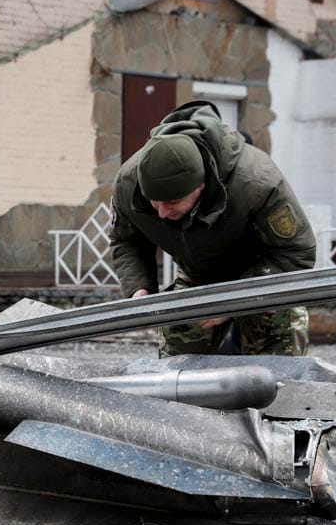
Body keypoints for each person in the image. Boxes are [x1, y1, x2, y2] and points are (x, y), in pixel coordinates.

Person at [109, 101, 316, 356]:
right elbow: (126, 239)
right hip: (199, 275)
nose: (161, 213)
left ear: (201, 186)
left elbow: (297, 251)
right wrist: (139, 288)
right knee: (177, 366)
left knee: (280, 369)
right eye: (154, 202)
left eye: (172, 202)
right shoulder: (128, 183)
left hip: (263, 278)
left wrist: (236, 299)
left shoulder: (258, 182)